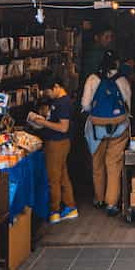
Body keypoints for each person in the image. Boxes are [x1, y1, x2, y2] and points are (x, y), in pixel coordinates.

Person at [81, 50, 131, 216]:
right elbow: (128, 104)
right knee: (113, 164)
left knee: (97, 164)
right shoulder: (122, 80)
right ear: (117, 63)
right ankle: (111, 203)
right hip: (119, 127)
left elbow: (86, 105)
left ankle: (99, 198)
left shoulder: (92, 79)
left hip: (96, 129)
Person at [27, 74, 78, 226]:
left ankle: (54, 211)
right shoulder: (61, 102)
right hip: (60, 143)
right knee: (62, 175)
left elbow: (63, 127)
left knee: (53, 178)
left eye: (48, 91)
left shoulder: (62, 103)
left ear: (56, 87)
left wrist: (42, 122)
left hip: (57, 143)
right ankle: (70, 206)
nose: (47, 95)